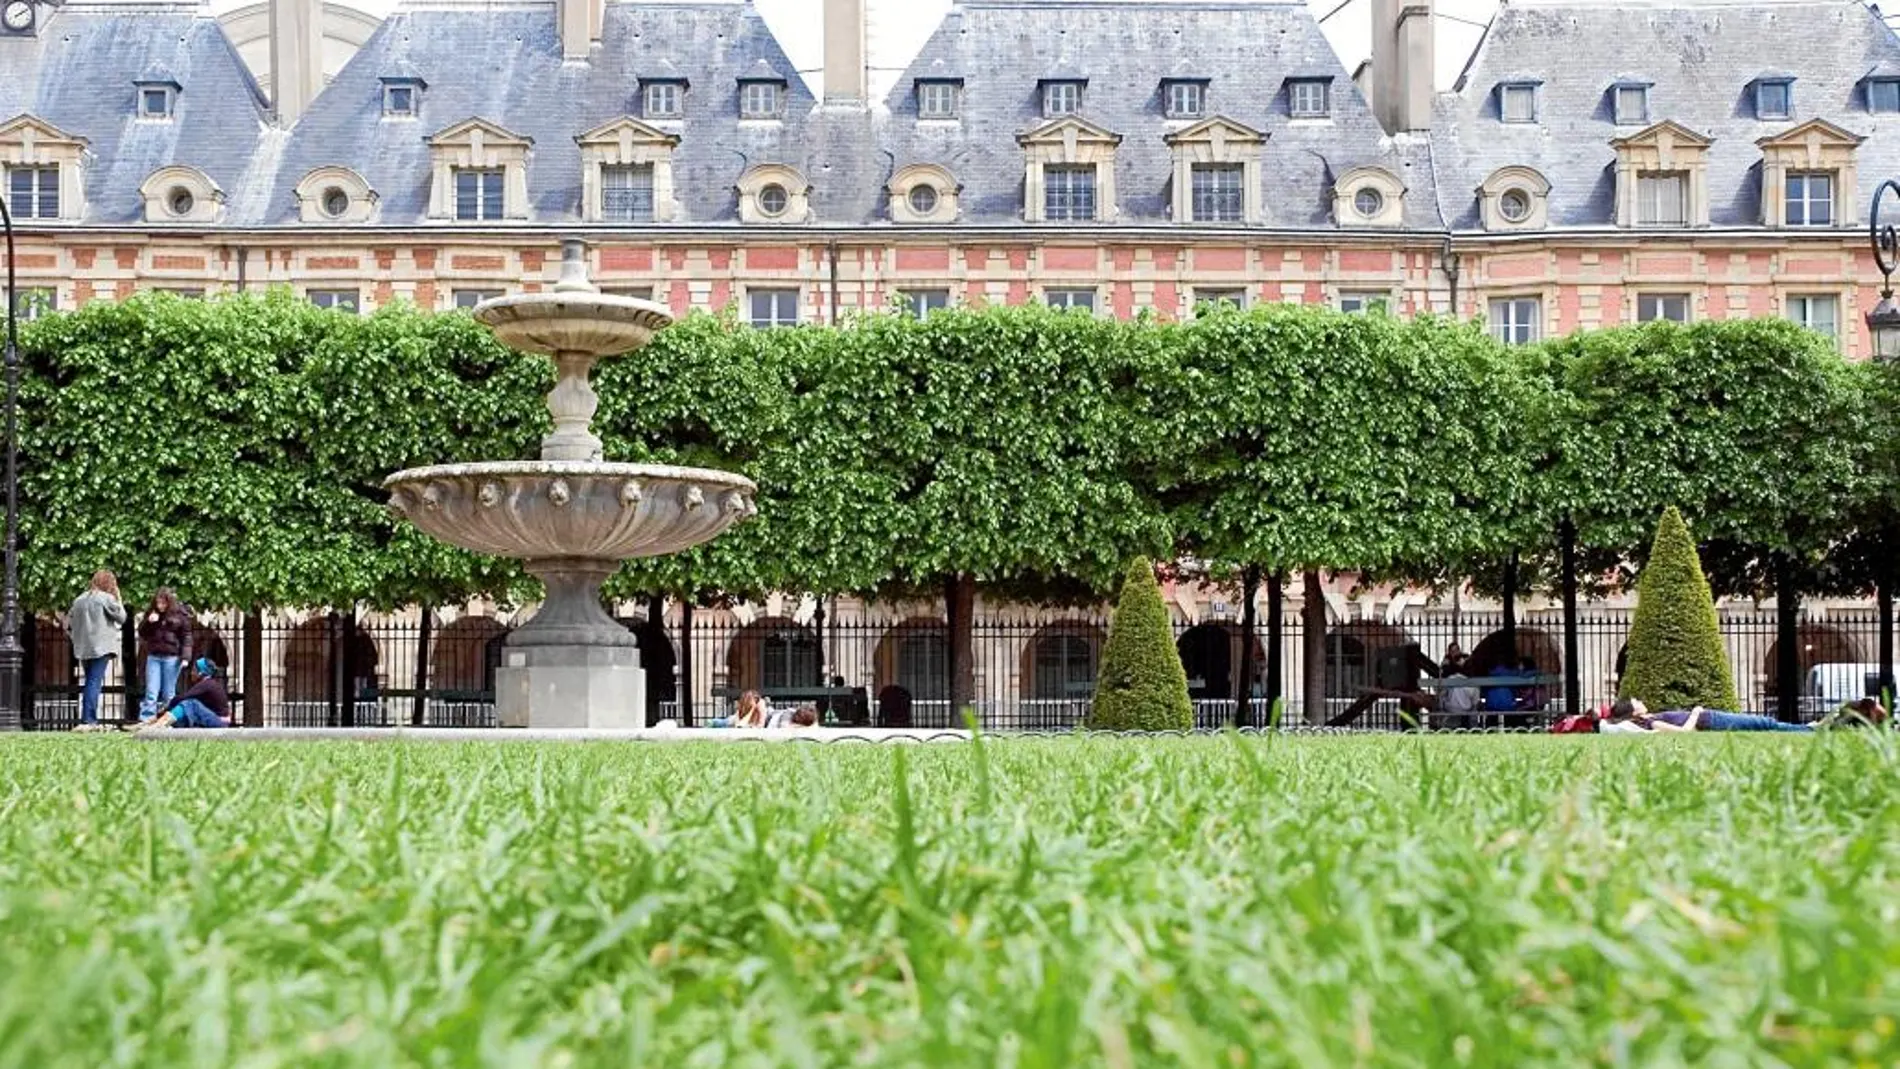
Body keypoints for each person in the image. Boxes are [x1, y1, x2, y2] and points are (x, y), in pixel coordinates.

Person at [67, 571, 126, 733]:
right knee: (94, 682)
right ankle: (89, 720)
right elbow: (122, 617)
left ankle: (88, 719)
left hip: (83, 647)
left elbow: (69, 621)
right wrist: (118, 597)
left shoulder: (78, 600)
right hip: (102, 647)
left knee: (89, 682)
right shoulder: (106, 598)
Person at [136, 588, 193, 723]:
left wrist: (186, 657)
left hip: (172, 658)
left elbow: (187, 637)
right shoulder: (152, 613)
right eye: (158, 603)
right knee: (151, 691)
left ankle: (168, 719)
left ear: (169, 602)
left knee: (169, 692)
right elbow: (143, 633)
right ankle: (146, 718)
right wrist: (149, 622)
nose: (160, 606)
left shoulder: (180, 615)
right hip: (154, 655)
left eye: (163, 603)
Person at [1609, 697, 1812, 733]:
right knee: (1763, 723)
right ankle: (1809, 729)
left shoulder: (1651, 718)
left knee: (1763, 724)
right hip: (1711, 720)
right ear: (1633, 711)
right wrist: (1696, 713)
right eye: (1636, 701)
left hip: (1711, 718)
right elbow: (1684, 732)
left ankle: (1808, 728)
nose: (1639, 700)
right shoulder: (1653, 724)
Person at [134, 657, 230, 731]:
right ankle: (153, 723)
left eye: (194, 670)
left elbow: (184, 698)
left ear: (201, 673)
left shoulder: (207, 684)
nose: (191, 673)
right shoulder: (209, 683)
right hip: (213, 719)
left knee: (190, 704)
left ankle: (159, 724)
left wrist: (168, 705)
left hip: (219, 722)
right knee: (185, 710)